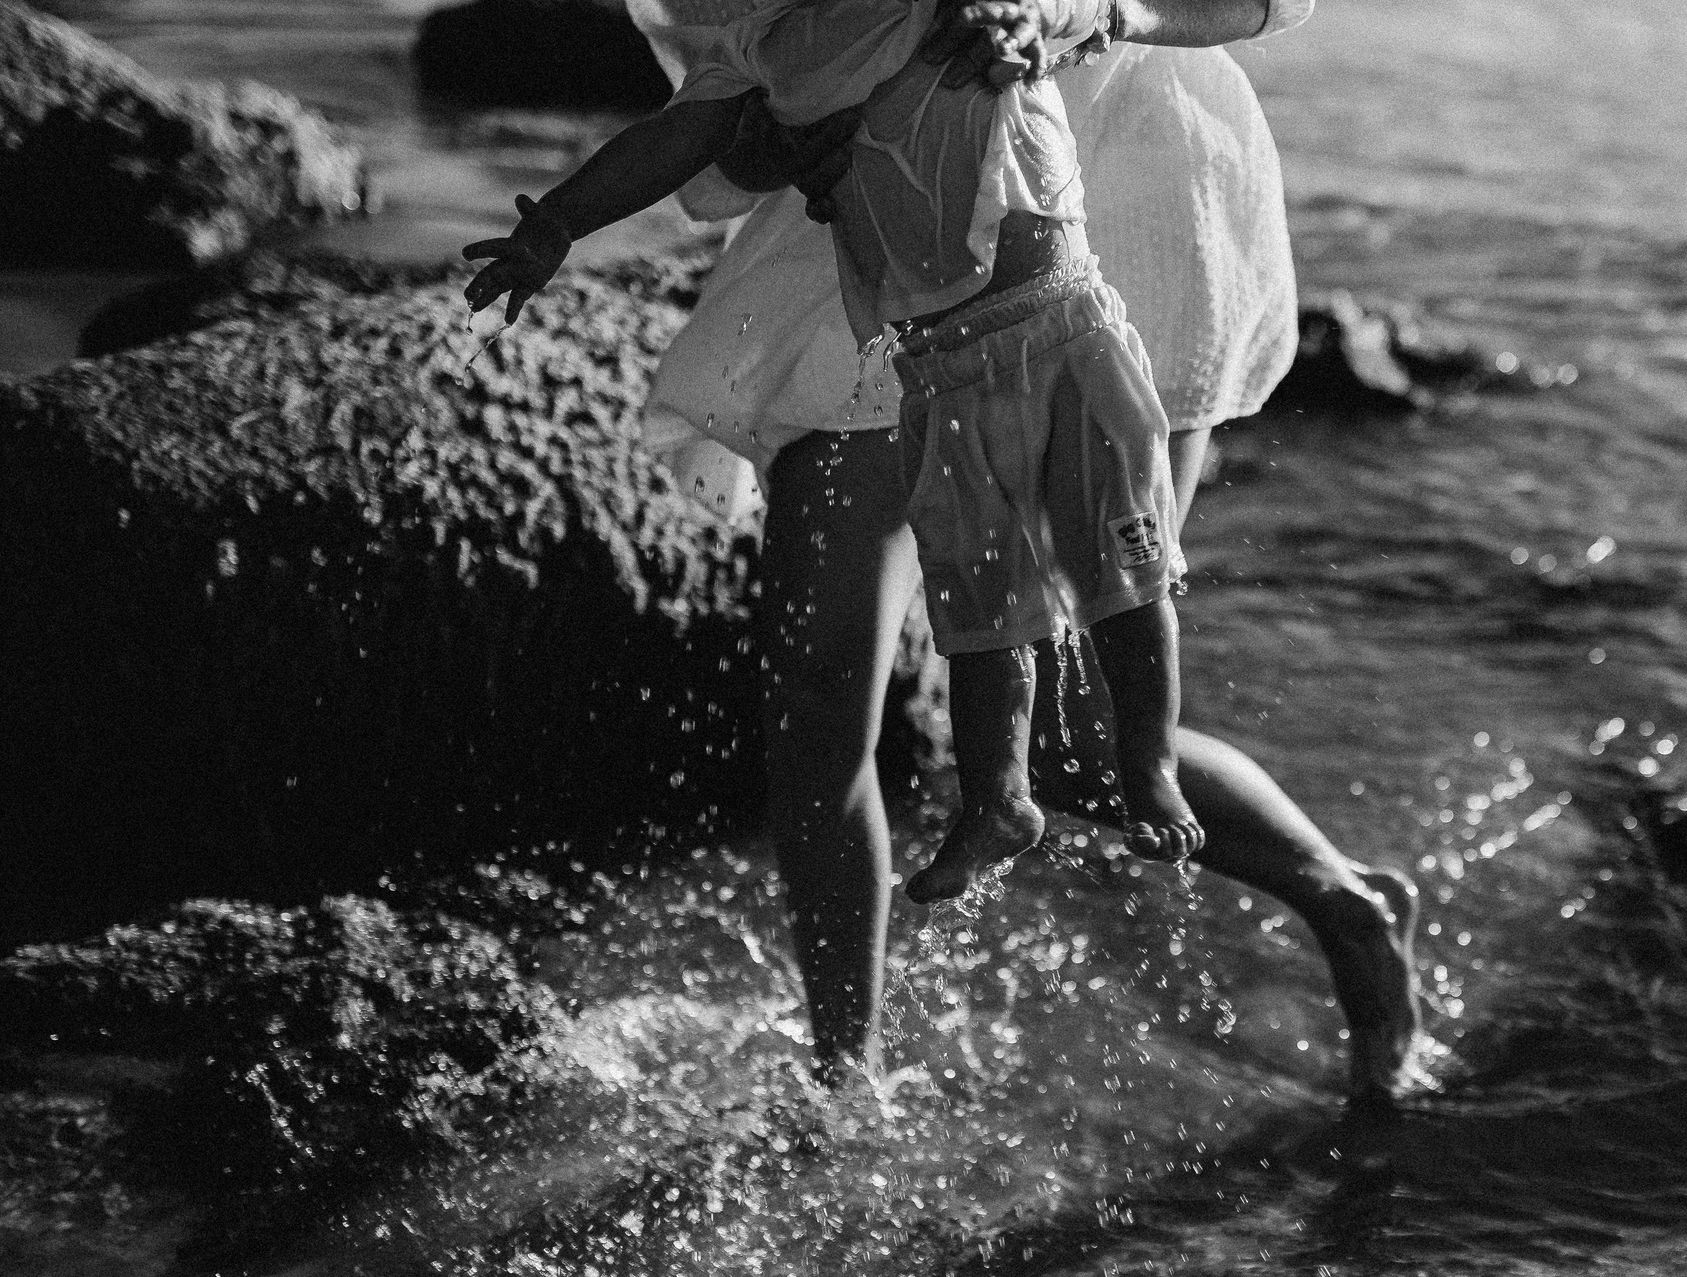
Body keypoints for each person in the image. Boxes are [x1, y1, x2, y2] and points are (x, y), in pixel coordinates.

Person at [626, 0, 1428, 1101]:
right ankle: (843, 1088)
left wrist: (1101, 8)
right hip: (874, 247)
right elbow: (723, 87)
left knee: (1077, 731)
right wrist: (770, 142)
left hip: (1120, 211)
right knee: (815, 702)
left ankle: (1344, 901)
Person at [466, 2, 1206, 905]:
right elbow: (673, 142)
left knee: (1126, 567)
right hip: (937, 374)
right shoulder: (766, 49)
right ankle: (998, 800)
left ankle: (1150, 763)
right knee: (983, 611)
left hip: (1065, 329)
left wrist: (1052, 19)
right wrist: (558, 224)